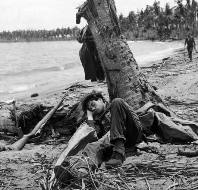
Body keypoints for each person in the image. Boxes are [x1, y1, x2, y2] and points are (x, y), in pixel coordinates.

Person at [81, 92, 143, 168]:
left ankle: (118, 154)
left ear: (100, 100)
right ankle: (85, 169)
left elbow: (134, 120)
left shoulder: (116, 106)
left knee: (117, 101)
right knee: (91, 146)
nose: (93, 109)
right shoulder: (97, 121)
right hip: (113, 143)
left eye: (93, 105)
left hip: (131, 133)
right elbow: (94, 138)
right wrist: (90, 117)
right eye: (90, 109)